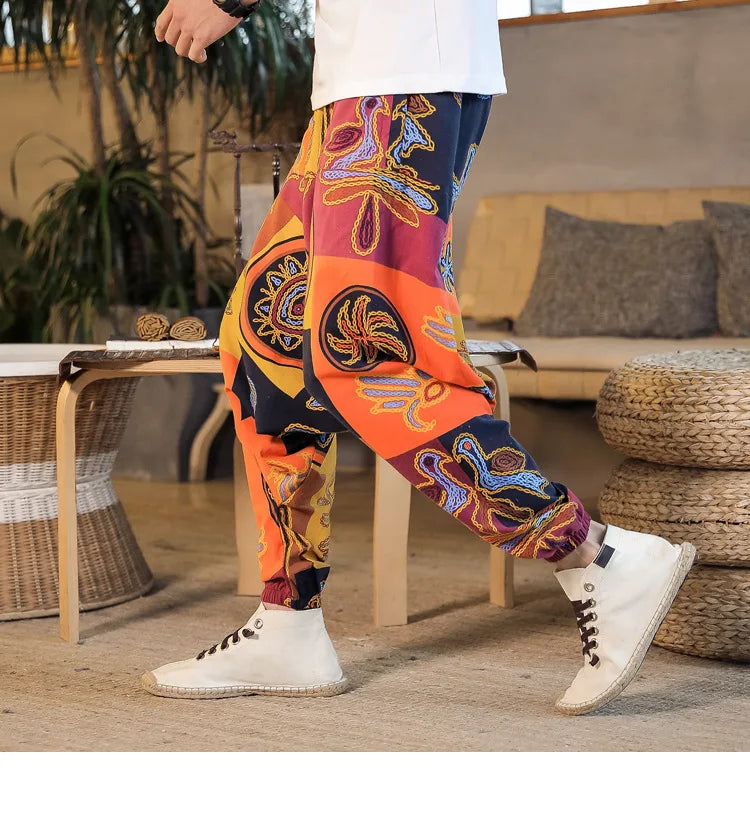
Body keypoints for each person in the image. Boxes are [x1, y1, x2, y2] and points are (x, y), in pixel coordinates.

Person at [141, 0, 695, 715]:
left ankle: (592, 553)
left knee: (367, 350)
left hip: (400, 68)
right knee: (266, 342)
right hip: (360, 75)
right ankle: (289, 624)